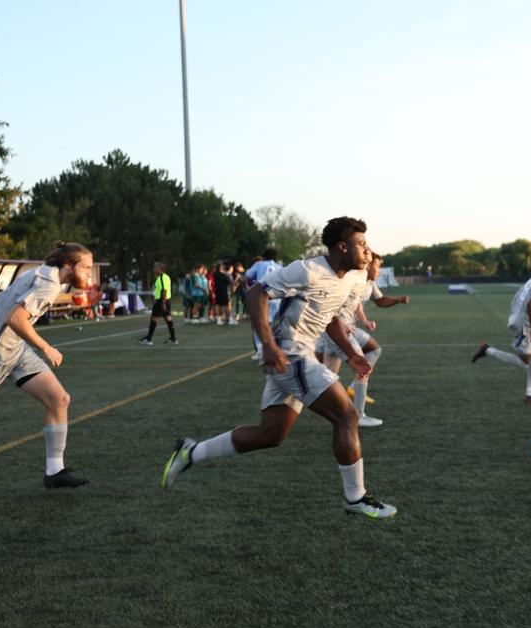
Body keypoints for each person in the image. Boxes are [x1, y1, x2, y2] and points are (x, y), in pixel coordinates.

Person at [161, 216, 397, 520]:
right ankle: (356, 498)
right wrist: (269, 345)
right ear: (342, 246)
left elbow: (332, 318)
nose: (368, 250)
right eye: (362, 244)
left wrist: (351, 354)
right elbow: (255, 293)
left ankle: (190, 452)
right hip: (290, 355)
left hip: (298, 359)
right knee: (347, 415)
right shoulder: (308, 270)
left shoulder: (351, 278)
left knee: (270, 434)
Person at [0, 242, 93, 488]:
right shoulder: (50, 284)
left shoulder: (43, 274)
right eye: (85, 268)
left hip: (15, 348)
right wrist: (46, 347)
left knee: (59, 399)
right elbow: (15, 318)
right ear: (68, 265)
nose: (88, 274)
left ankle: (55, 471)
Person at [314, 253, 409, 426]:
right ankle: (356, 416)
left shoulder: (363, 278)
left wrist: (364, 320)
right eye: (378, 266)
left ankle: (343, 401)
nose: (379, 271)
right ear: (368, 263)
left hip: (344, 328)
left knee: (332, 374)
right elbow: (334, 299)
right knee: (351, 370)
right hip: (337, 329)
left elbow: (356, 302)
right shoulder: (350, 276)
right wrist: (341, 323)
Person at [472, 255, 531, 403]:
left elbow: (529, 305)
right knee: (525, 362)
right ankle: (487, 350)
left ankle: (530, 394)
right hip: (523, 324)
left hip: (520, 319)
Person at [245, 248, 282, 359]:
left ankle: (261, 351)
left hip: (262, 299)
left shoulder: (259, 264)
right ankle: (276, 349)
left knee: (259, 325)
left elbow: (247, 276)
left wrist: (249, 288)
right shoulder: (280, 267)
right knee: (275, 326)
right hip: (276, 299)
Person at [139, 262, 177, 345]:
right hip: (166, 300)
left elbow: (164, 290)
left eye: (155, 268)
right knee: (168, 319)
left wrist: (162, 303)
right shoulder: (164, 277)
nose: (154, 269)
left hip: (161, 301)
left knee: (153, 319)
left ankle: (148, 339)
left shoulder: (163, 278)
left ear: (159, 269)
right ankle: (173, 338)